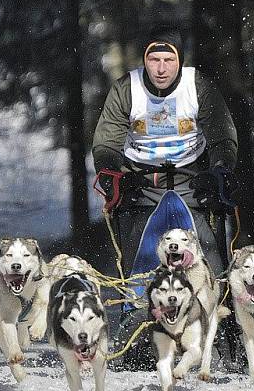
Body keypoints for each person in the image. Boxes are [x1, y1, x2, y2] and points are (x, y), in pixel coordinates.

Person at [92, 23, 242, 370]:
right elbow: (106, 140)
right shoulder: (125, 89)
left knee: (207, 254)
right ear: (144, 60)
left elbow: (222, 133)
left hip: (192, 179)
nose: (160, 68)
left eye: (168, 59)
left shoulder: (198, 86)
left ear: (179, 61)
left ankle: (221, 335)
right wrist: (112, 173)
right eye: (154, 59)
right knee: (139, 256)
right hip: (142, 183)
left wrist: (220, 168)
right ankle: (135, 334)